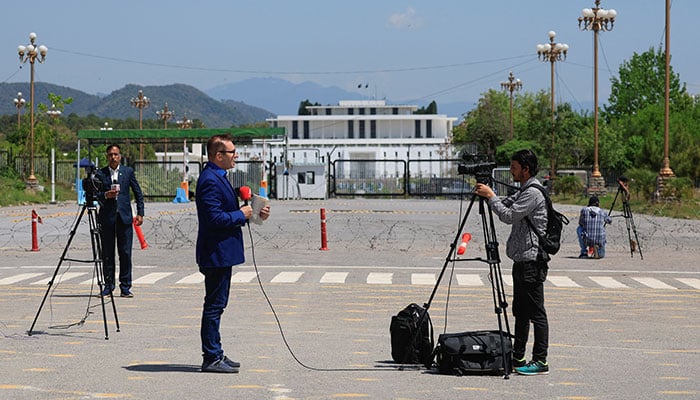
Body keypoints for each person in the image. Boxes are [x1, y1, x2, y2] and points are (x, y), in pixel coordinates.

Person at [195, 133, 271, 373]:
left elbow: (224, 209)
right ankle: (211, 356)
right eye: (231, 152)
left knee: (218, 304)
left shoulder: (220, 177)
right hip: (215, 253)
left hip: (222, 252)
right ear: (219, 155)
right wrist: (242, 214)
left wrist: (252, 211)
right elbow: (214, 218)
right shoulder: (209, 180)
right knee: (214, 306)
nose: (235, 156)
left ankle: (216, 351)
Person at [474, 149, 550, 376]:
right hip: (522, 260)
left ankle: (541, 360)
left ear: (526, 169)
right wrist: (490, 194)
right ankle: (518, 355)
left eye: (515, 168)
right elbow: (505, 204)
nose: (512, 171)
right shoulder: (525, 190)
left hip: (532, 260)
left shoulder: (533, 193)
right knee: (521, 312)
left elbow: (508, 215)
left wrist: (490, 196)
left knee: (536, 312)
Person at [97, 144, 145, 298]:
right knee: (107, 253)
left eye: (116, 154)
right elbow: (95, 194)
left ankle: (125, 286)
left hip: (124, 218)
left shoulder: (127, 172)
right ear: (107, 156)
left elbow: (138, 192)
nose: (113, 157)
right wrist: (106, 195)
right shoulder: (101, 174)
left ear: (120, 156)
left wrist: (140, 213)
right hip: (107, 218)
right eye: (111, 154)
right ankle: (108, 285)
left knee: (125, 253)